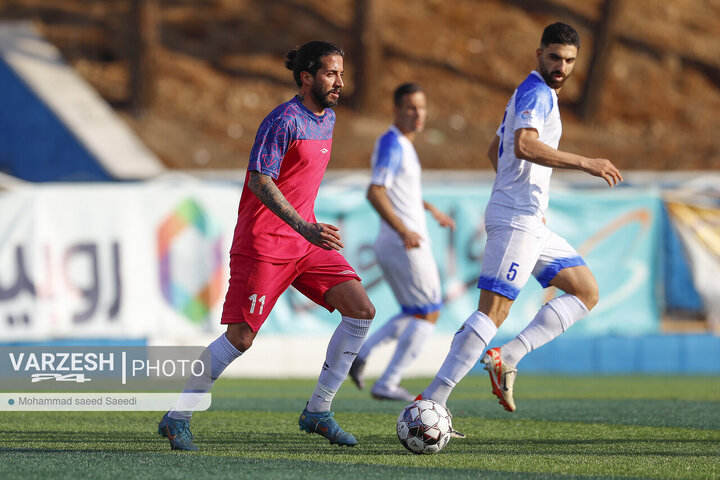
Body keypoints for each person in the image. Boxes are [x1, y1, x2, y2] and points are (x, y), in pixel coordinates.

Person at [157, 41, 375, 451]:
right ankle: (177, 417)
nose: (339, 82)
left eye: (342, 74)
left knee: (361, 311)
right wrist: (302, 226)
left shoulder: (326, 118)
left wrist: (306, 232)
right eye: (331, 73)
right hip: (265, 243)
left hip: (305, 243)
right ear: (307, 77)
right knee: (240, 338)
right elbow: (260, 179)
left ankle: (318, 411)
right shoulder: (283, 120)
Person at [415, 22, 623, 414]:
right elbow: (523, 144)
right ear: (539, 54)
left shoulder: (529, 94)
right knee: (493, 310)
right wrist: (585, 162)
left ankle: (507, 357)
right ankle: (432, 400)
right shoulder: (536, 92)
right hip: (517, 219)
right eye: (555, 57)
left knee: (585, 290)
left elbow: (496, 150)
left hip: (528, 218)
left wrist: (519, 192)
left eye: (569, 61)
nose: (561, 66)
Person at [348, 83, 455, 402]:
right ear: (396, 110)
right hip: (404, 244)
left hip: (396, 242)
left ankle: (362, 354)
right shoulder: (393, 144)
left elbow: (399, 192)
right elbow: (375, 191)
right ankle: (388, 381)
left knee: (414, 311)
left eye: (421, 107)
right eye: (410, 107)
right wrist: (404, 230)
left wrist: (429, 208)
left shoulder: (402, 146)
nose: (417, 113)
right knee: (429, 312)